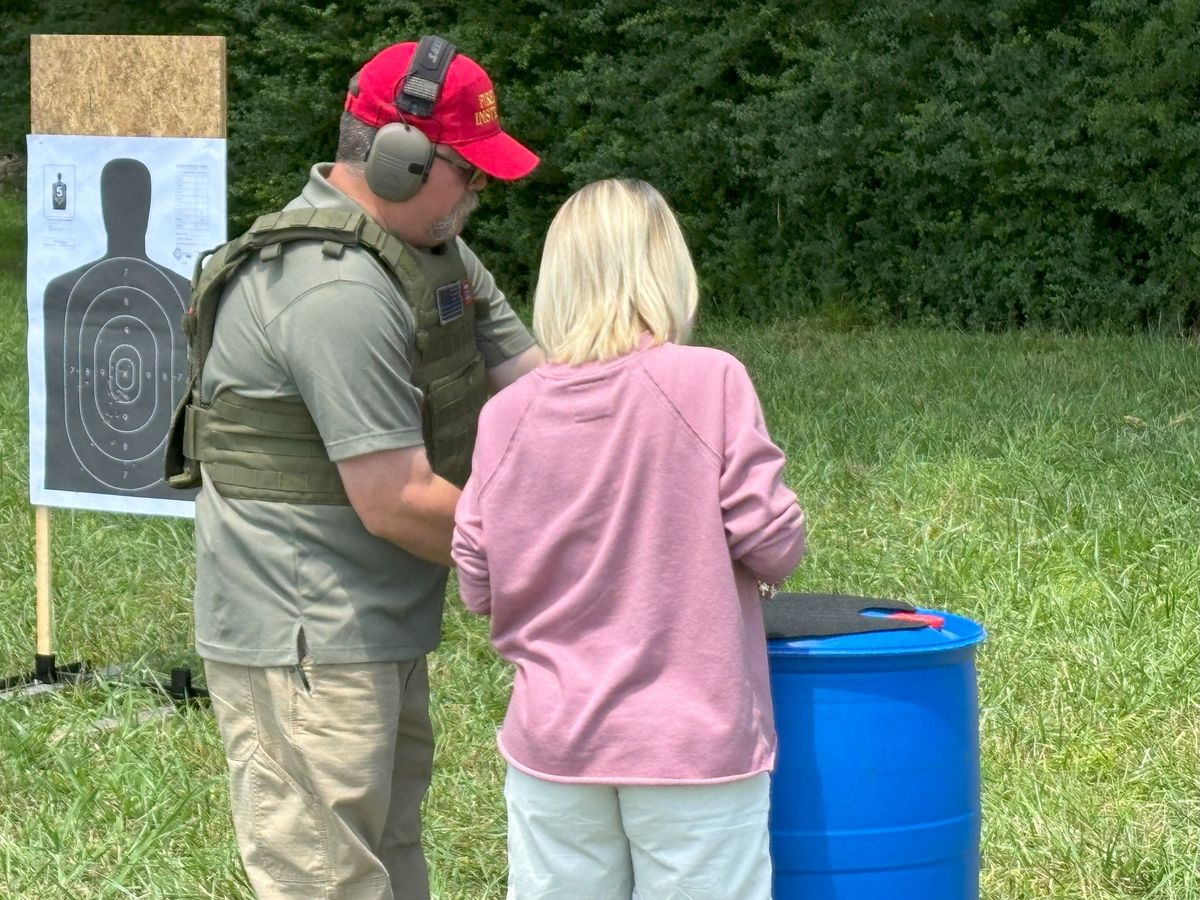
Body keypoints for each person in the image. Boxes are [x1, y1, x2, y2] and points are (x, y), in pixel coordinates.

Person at [171, 37, 544, 900]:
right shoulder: (332, 289)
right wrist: (568, 558)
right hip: (310, 635)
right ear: (399, 160)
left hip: (377, 620)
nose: (483, 189)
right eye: (469, 168)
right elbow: (396, 500)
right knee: (327, 880)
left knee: (387, 859)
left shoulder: (428, 254)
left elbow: (546, 393)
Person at [452, 179, 806, 899]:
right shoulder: (710, 381)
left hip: (553, 745)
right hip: (693, 748)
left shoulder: (507, 414)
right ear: (665, 269)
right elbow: (774, 545)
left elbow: (475, 582)